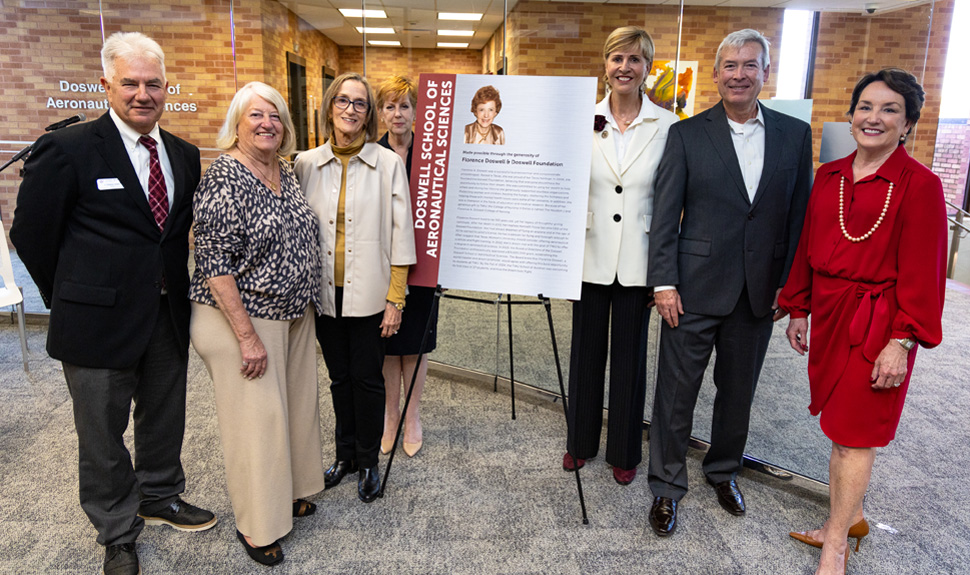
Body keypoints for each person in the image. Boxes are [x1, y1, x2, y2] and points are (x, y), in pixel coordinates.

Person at [10, 32, 215, 575]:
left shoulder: (184, 154)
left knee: (164, 416)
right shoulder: (68, 148)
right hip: (94, 322)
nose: (142, 94)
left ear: (166, 87)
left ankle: (160, 494)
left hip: (166, 314)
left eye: (153, 84)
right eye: (130, 83)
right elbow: (31, 234)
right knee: (102, 432)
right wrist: (70, 296)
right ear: (106, 85)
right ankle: (117, 530)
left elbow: (170, 237)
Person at [645, 28, 813, 537]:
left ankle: (722, 471)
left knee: (737, 394)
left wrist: (790, 285)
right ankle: (666, 486)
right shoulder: (687, 134)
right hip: (692, 289)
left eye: (750, 65)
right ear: (717, 74)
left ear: (765, 73)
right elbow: (664, 214)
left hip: (758, 292)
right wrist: (663, 282)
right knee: (676, 394)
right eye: (731, 66)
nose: (740, 75)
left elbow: (799, 217)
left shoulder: (794, 134)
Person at [780, 68, 947, 575]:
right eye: (866, 107)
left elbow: (924, 274)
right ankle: (850, 519)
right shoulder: (829, 175)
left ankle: (835, 546)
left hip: (880, 325)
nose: (874, 118)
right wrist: (799, 307)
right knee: (839, 428)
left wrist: (903, 341)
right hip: (831, 315)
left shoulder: (921, 185)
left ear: (908, 124)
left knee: (855, 435)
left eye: (890, 109)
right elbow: (807, 248)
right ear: (851, 115)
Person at [189, 81, 326, 566]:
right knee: (258, 424)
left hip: (291, 313)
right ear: (237, 123)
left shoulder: (283, 169)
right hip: (241, 320)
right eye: (255, 115)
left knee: (295, 410)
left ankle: (288, 494)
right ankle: (257, 525)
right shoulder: (224, 176)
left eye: (275, 116)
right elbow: (213, 261)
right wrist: (246, 336)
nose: (267, 124)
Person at [562, 26, 678, 486]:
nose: (624, 67)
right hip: (587, 255)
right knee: (585, 355)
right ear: (605, 65)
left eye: (634, 59)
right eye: (617, 58)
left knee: (630, 360)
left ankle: (625, 450)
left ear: (647, 68)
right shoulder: (581, 119)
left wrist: (666, 274)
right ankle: (580, 441)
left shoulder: (668, 126)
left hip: (639, 258)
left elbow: (672, 202)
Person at [294, 72, 416, 503]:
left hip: (370, 294)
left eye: (360, 103)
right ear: (329, 107)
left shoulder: (388, 164)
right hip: (324, 294)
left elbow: (402, 234)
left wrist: (395, 298)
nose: (350, 109)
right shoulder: (305, 164)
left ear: (368, 114)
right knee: (338, 378)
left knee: (367, 379)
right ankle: (344, 455)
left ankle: (367, 461)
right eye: (343, 101)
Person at [376, 75, 438, 458]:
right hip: (382, 263)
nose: (397, 113)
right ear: (381, 113)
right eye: (390, 106)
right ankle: (391, 416)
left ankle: (412, 416)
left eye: (404, 105)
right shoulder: (372, 154)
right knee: (386, 343)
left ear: (416, 112)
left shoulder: (431, 156)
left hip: (425, 263)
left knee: (415, 342)